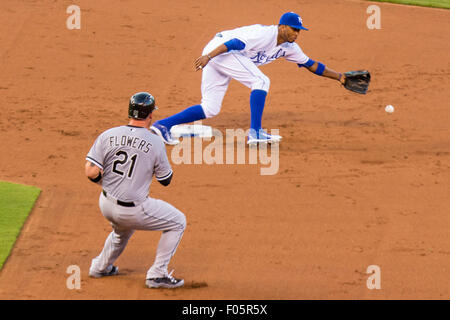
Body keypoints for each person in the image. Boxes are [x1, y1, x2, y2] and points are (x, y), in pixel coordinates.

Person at [151, 11, 347, 145]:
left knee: (210, 108)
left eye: (299, 31)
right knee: (261, 81)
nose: (297, 34)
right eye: (294, 29)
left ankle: (163, 125)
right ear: (282, 26)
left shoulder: (289, 48)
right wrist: (209, 56)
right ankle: (255, 132)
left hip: (223, 55)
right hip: (220, 50)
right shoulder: (264, 34)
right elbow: (234, 43)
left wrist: (340, 77)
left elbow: (311, 64)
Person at [85, 92, 186, 289]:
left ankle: (99, 267)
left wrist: (108, 184)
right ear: (150, 116)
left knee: (121, 231)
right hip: (132, 210)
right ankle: (157, 274)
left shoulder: (108, 134)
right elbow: (166, 180)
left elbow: (91, 171)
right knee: (178, 222)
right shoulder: (155, 142)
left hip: (105, 203)